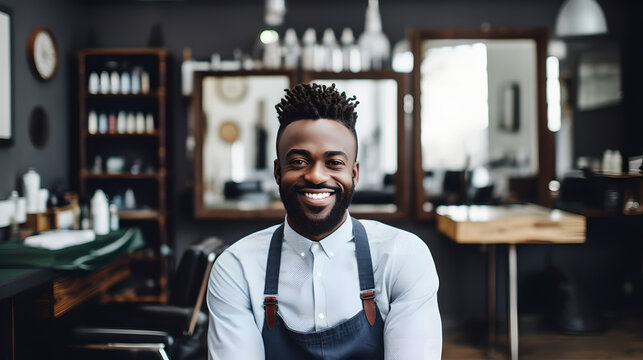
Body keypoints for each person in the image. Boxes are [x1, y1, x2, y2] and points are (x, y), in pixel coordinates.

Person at [207, 83, 441, 359]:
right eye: (298, 161)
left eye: (334, 163)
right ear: (278, 172)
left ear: (354, 174)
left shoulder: (403, 256)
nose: (317, 176)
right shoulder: (238, 268)